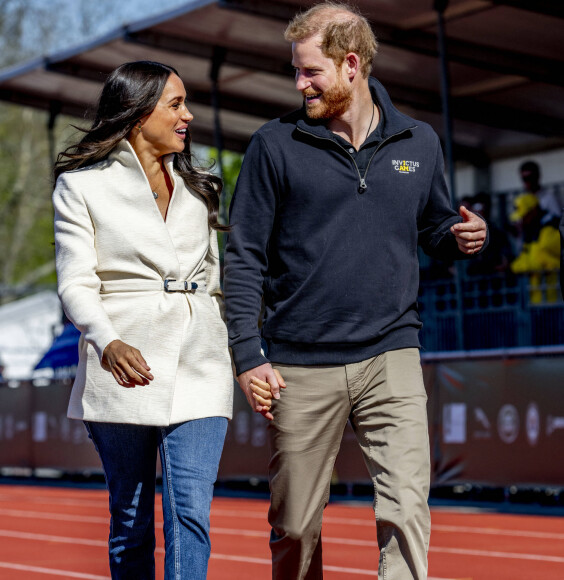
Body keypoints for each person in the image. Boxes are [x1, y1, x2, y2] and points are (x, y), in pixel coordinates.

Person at [224, 3, 487, 579]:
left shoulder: (420, 142)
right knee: (295, 525)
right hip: (298, 362)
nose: (299, 83)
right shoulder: (274, 145)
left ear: (351, 65)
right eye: (296, 70)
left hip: (391, 352)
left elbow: (435, 227)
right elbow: (243, 256)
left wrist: (461, 237)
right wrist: (247, 355)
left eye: (310, 71)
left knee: (406, 508)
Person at [52, 61, 233, 580]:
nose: (188, 115)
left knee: (190, 513)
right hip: (122, 366)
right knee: (130, 519)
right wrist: (107, 341)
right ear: (136, 113)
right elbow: (75, 282)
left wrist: (242, 358)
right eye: (175, 104)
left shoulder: (201, 189)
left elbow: (217, 286)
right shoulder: (81, 187)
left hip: (201, 363)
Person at [509, 193, 560, 303]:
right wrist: (510, 267)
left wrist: (514, 268)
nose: (522, 221)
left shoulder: (551, 229)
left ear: (534, 211)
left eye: (524, 216)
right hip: (540, 301)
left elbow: (539, 261)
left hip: (556, 300)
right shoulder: (533, 232)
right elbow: (526, 259)